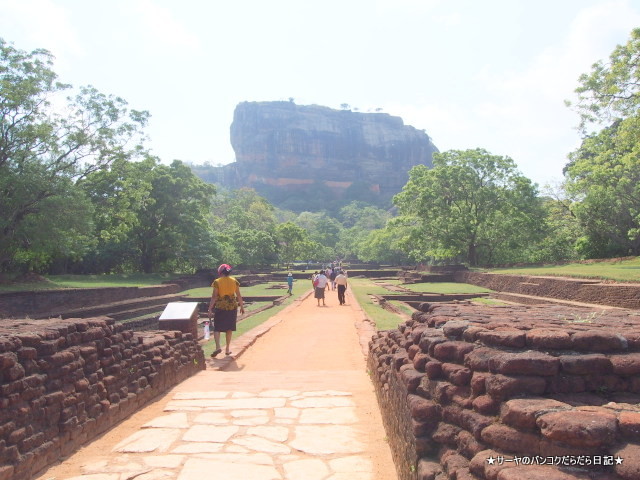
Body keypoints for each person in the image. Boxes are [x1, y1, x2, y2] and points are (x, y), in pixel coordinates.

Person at [208, 264, 244, 357]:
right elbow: (238, 295)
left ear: (220, 272)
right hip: (232, 307)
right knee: (229, 328)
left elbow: (214, 296)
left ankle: (218, 347)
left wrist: (210, 308)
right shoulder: (234, 281)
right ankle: (227, 349)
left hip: (221, 306)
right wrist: (242, 307)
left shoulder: (217, 282)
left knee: (217, 328)